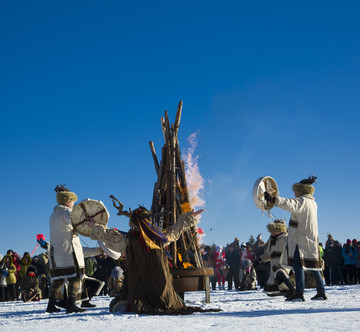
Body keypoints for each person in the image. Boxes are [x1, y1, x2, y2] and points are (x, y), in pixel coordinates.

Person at [87, 198, 207, 314]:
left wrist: (94, 226)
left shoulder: (130, 240)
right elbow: (175, 231)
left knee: (122, 299)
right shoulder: (160, 238)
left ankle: (130, 303)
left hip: (139, 286)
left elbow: (110, 237)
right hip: (160, 287)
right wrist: (189, 218)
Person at [264, 175, 327, 301]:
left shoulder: (302, 201)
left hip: (300, 239)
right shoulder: (313, 203)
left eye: (295, 190)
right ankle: (321, 292)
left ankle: (299, 293)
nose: (294, 193)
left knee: (298, 267)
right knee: (314, 266)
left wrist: (273, 199)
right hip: (310, 238)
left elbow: (289, 203)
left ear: (301, 191)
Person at [46, 185, 101, 314]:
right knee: (75, 277)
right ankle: (71, 305)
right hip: (68, 252)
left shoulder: (53, 215)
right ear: (67, 201)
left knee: (58, 279)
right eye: (72, 202)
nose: (73, 204)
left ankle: (51, 305)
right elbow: (77, 223)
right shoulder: (66, 212)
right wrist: (90, 223)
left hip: (57, 253)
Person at [255, 219, 294, 297]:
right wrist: (259, 260)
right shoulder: (271, 241)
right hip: (273, 264)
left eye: (274, 231)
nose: (272, 233)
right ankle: (284, 291)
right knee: (271, 293)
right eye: (271, 231)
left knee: (281, 272)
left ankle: (292, 290)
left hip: (284, 262)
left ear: (279, 230)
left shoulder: (286, 238)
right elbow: (268, 254)